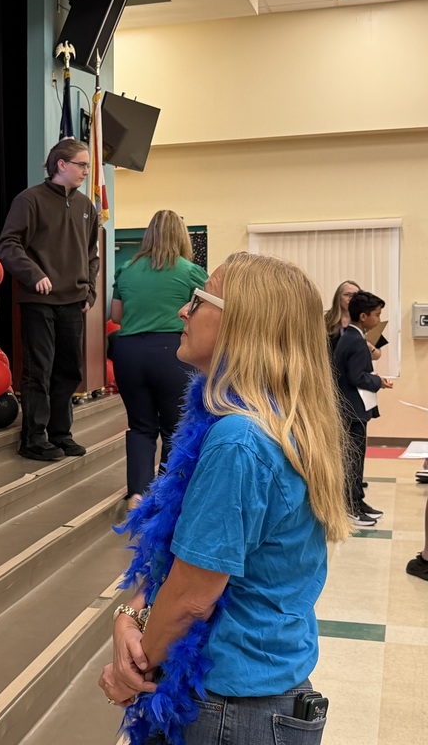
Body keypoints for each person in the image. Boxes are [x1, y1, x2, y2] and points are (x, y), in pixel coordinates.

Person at [98, 253, 350, 745]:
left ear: (243, 322)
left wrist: (132, 673)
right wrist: (130, 613)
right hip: (265, 696)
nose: (182, 312)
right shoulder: (264, 422)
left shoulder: (239, 440)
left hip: (231, 714)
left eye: (198, 299)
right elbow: (177, 557)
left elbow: (193, 595)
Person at [0, 138, 100, 461]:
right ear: (61, 165)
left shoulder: (87, 208)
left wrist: (90, 291)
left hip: (73, 302)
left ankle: (60, 434)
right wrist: (34, 274)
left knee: (68, 371)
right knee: (39, 370)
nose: (87, 170)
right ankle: (34, 438)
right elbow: (9, 244)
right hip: (39, 301)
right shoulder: (30, 201)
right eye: (82, 165)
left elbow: (92, 255)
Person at [110, 210, 207, 510]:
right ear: (181, 236)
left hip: (128, 352)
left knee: (140, 426)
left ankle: (137, 494)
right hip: (171, 352)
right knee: (174, 427)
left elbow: (115, 316)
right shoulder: (191, 271)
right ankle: (166, 495)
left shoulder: (126, 268)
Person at [333, 290, 392, 526]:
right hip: (351, 410)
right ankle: (350, 507)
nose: (379, 320)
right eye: (377, 315)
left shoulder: (352, 337)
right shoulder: (356, 341)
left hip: (353, 408)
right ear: (364, 316)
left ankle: (358, 501)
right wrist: (378, 381)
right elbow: (357, 377)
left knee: (356, 459)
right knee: (352, 460)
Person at [325, 280, 383, 359]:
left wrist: (366, 345)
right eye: (347, 295)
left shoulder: (367, 319)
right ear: (338, 298)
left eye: (355, 296)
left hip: (357, 367)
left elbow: (377, 355)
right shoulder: (326, 321)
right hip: (331, 369)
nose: (351, 299)